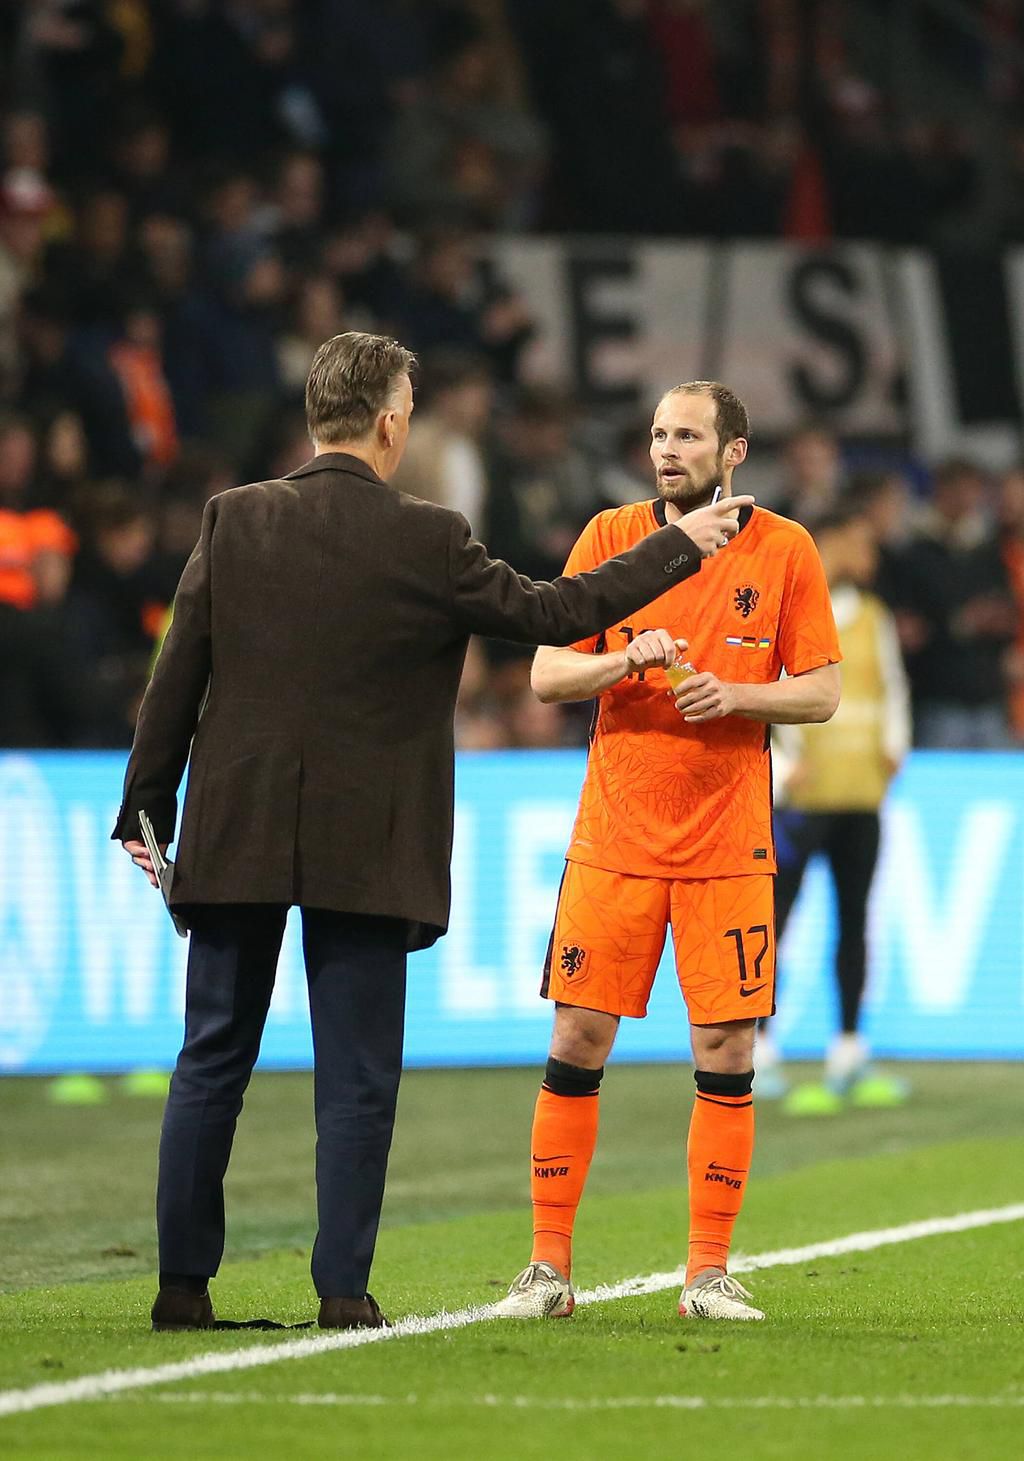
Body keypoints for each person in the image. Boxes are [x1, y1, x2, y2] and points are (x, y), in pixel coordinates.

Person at [112, 331, 752, 1335]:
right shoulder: (425, 535)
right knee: (355, 1078)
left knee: (209, 1064)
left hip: (234, 830)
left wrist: (145, 811)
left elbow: (173, 680)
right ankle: (341, 1295)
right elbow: (558, 611)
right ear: (390, 420)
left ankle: (181, 1288)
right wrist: (684, 542)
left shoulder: (233, 520)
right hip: (367, 844)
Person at [491, 380, 840, 1325]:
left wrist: (735, 695)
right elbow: (545, 668)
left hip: (729, 845)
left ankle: (707, 1272)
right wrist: (624, 661)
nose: (667, 449)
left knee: (726, 1047)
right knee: (576, 1039)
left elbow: (823, 691)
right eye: (657, 434)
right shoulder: (610, 536)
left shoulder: (787, 550)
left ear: (735, 451)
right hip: (614, 842)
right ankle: (547, 1268)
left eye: (688, 434)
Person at [758, 507, 912, 1112]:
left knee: (854, 921)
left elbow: (892, 686)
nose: (865, 548)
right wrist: (776, 757)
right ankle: (760, 1051)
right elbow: (761, 685)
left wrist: (895, 747)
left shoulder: (875, 617)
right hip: (801, 798)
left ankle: (848, 1051)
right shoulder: (787, 612)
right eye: (853, 536)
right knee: (776, 923)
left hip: (859, 794)